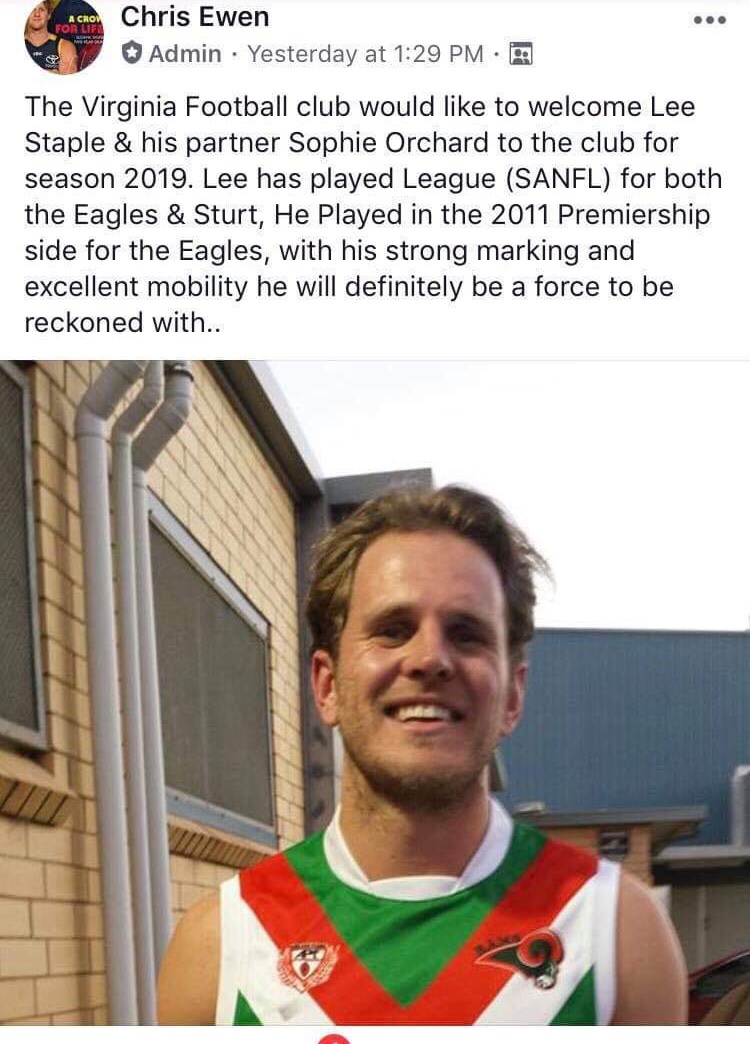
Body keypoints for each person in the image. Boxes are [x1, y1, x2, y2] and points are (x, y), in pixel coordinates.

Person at [158, 485, 687, 1025]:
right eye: (392, 631)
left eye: (466, 634)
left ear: (512, 695)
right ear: (327, 685)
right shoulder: (220, 946)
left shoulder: (616, 933)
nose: (430, 658)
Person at [24, 1, 77, 73]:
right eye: (33, 9)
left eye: (41, 10)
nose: (37, 14)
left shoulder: (65, 46)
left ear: (49, 15)